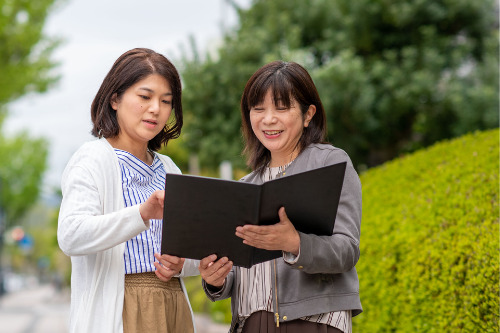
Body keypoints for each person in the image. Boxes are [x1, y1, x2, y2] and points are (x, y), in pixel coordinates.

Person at [199, 61, 362, 333]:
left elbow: (346, 250)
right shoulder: (245, 185)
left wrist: (295, 243)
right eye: (258, 108)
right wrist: (216, 279)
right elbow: (240, 269)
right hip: (249, 323)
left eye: (282, 107)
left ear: (308, 114)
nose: (268, 119)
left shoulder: (330, 164)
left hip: (312, 321)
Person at [58, 48, 199, 333]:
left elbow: (193, 250)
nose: (156, 109)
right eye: (145, 97)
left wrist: (182, 263)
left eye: (166, 101)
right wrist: (141, 214)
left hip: (174, 304)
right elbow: (71, 235)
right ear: (115, 99)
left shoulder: (169, 168)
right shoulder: (93, 158)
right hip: (121, 306)